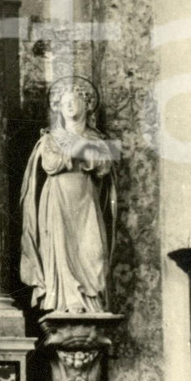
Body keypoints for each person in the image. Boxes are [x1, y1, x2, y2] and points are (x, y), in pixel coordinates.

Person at [20, 76, 117, 314]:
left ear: (87, 105)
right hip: (59, 198)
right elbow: (50, 164)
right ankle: (67, 300)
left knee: (94, 250)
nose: (70, 106)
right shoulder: (50, 138)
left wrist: (79, 149)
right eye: (65, 103)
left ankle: (92, 301)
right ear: (59, 110)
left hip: (86, 199)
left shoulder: (98, 140)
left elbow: (104, 166)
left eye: (74, 101)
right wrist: (79, 151)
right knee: (62, 249)